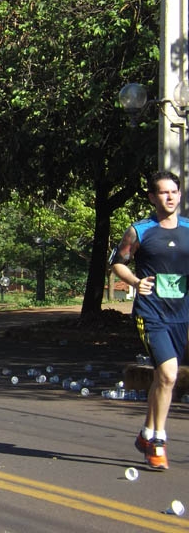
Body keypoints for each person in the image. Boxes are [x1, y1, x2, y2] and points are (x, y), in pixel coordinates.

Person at [110, 170, 189, 471]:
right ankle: (158, 440)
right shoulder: (140, 231)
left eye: (174, 192)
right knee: (168, 374)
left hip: (181, 314)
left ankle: (146, 434)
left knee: (163, 378)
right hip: (151, 312)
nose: (169, 197)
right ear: (152, 197)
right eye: (163, 192)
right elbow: (118, 263)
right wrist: (134, 281)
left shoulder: (188, 229)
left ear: (180, 195)